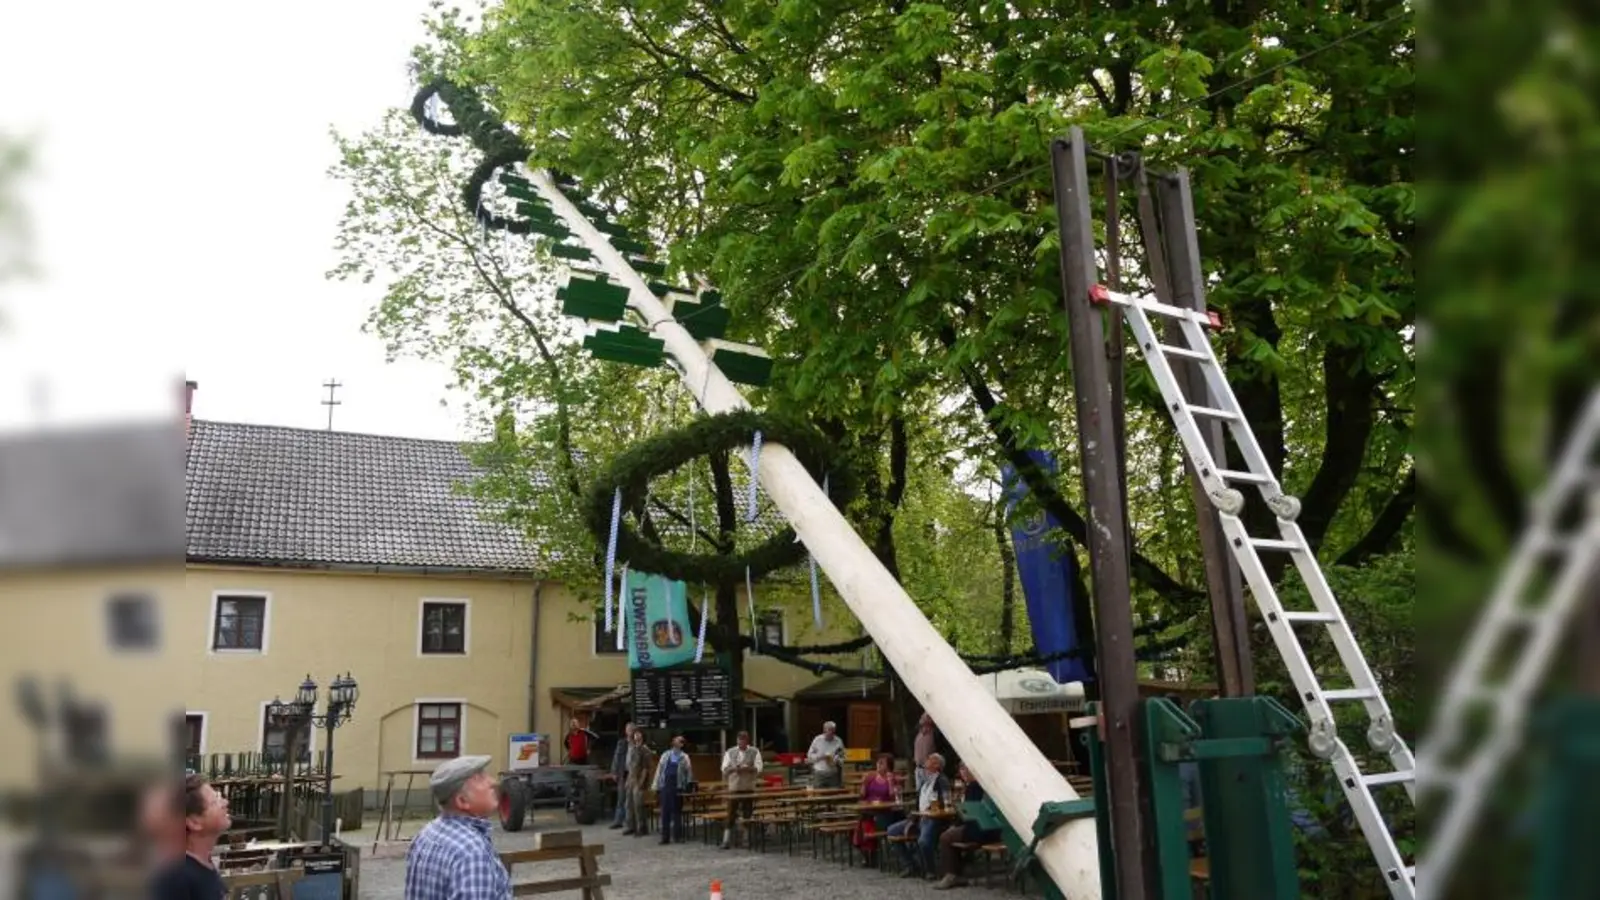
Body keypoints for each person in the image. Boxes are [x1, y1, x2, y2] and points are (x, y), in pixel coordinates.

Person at [404, 756, 510, 900]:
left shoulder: (425, 834)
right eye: (479, 778)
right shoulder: (472, 852)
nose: (492, 782)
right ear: (462, 801)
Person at [149, 773, 231, 900]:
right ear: (194, 822)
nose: (225, 802)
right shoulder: (176, 878)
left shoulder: (202, 863)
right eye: (215, 802)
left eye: (219, 797)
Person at [933, 763, 1003, 890]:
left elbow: (969, 815)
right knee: (952, 833)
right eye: (961, 769)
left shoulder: (974, 786)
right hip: (995, 830)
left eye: (966, 769)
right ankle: (959, 870)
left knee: (945, 837)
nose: (963, 772)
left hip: (980, 831)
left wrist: (956, 823)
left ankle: (951, 875)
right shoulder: (988, 784)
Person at [886, 752, 950, 878]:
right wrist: (912, 819)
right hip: (919, 817)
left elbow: (946, 800)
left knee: (924, 841)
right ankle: (910, 865)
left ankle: (930, 870)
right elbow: (917, 804)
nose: (925, 763)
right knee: (891, 831)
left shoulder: (942, 780)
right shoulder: (925, 781)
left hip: (933, 819)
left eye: (929, 761)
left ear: (936, 765)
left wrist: (931, 810)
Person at [853, 752, 903, 866]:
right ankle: (868, 854)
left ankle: (870, 854)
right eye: (878, 762)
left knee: (867, 822)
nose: (879, 765)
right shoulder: (871, 777)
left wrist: (890, 782)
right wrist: (864, 783)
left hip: (886, 811)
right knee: (865, 821)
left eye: (882, 763)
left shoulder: (893, 778)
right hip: (869, 810)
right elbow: (862, 795)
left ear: (889, 766)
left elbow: (894, 798)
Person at [719, 731, 763, 849]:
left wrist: (749, 768)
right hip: (734, 788)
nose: (741, 743)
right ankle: (726, 840)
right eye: (739, 741)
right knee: (731, 813)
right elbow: (724, 768)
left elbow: (759, 768)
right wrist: (733, 768)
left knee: (747, 813)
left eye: (743, 741)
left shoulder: (754, 751)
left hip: (748, 787)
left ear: (747, 741)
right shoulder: (730, 752)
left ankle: (746, 839)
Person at [654, 735, 693, 844]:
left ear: (682, 744)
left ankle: (677, 836)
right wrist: (656, 786)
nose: (676, 742)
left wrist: (689, 784)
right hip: (665, 786)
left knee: (677, 813)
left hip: (678, 786)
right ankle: (665, 837)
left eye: (679, 741)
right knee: (665, 812)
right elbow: (659, 770)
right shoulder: (665, 755)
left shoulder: (684, 757)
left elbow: (689, 772)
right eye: (675, 740)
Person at [623, 728, 655, 837]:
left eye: (639, 734)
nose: (636, 736)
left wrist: (641, 782)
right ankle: (631, 826)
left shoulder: (645, 750)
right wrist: (628, 780)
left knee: (638, 805)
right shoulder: (633, 749)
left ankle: (642, 827)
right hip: (631, 778)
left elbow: (646, 768)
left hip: (639, 780)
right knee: (629, 804)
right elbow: (630, 767)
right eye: (635, 734)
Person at [608, 722, 636, 829]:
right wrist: (614, 772)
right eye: (628, 730)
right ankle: (618, 821)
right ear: (626, 731)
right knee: (621, 797)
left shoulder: (637, 744)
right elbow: (616, 758)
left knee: (631, 798)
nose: (630, 732)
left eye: (632, 730)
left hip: (633, 773)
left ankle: (631, 821)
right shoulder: (622, 743)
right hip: (623, 772)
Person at [805, 721, 845, 788]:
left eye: (832, 731)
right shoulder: (817, 740)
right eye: (828, 730)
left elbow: (842, 757)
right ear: (824, 730)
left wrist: (836, 760)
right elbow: (809, 755)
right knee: (818, 795)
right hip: (819, 772)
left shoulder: (838, 741)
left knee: (834, 795)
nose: (830, 733)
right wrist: (820, 757)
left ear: (834, 731)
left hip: (833, 773)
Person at [913, 713, 938, 791]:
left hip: (929, 770)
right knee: (919, 795)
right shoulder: (918, 734)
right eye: (922, 715)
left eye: (925, 716)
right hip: (918, 769)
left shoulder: (934, 734)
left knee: (929, 793)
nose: (921, 717)